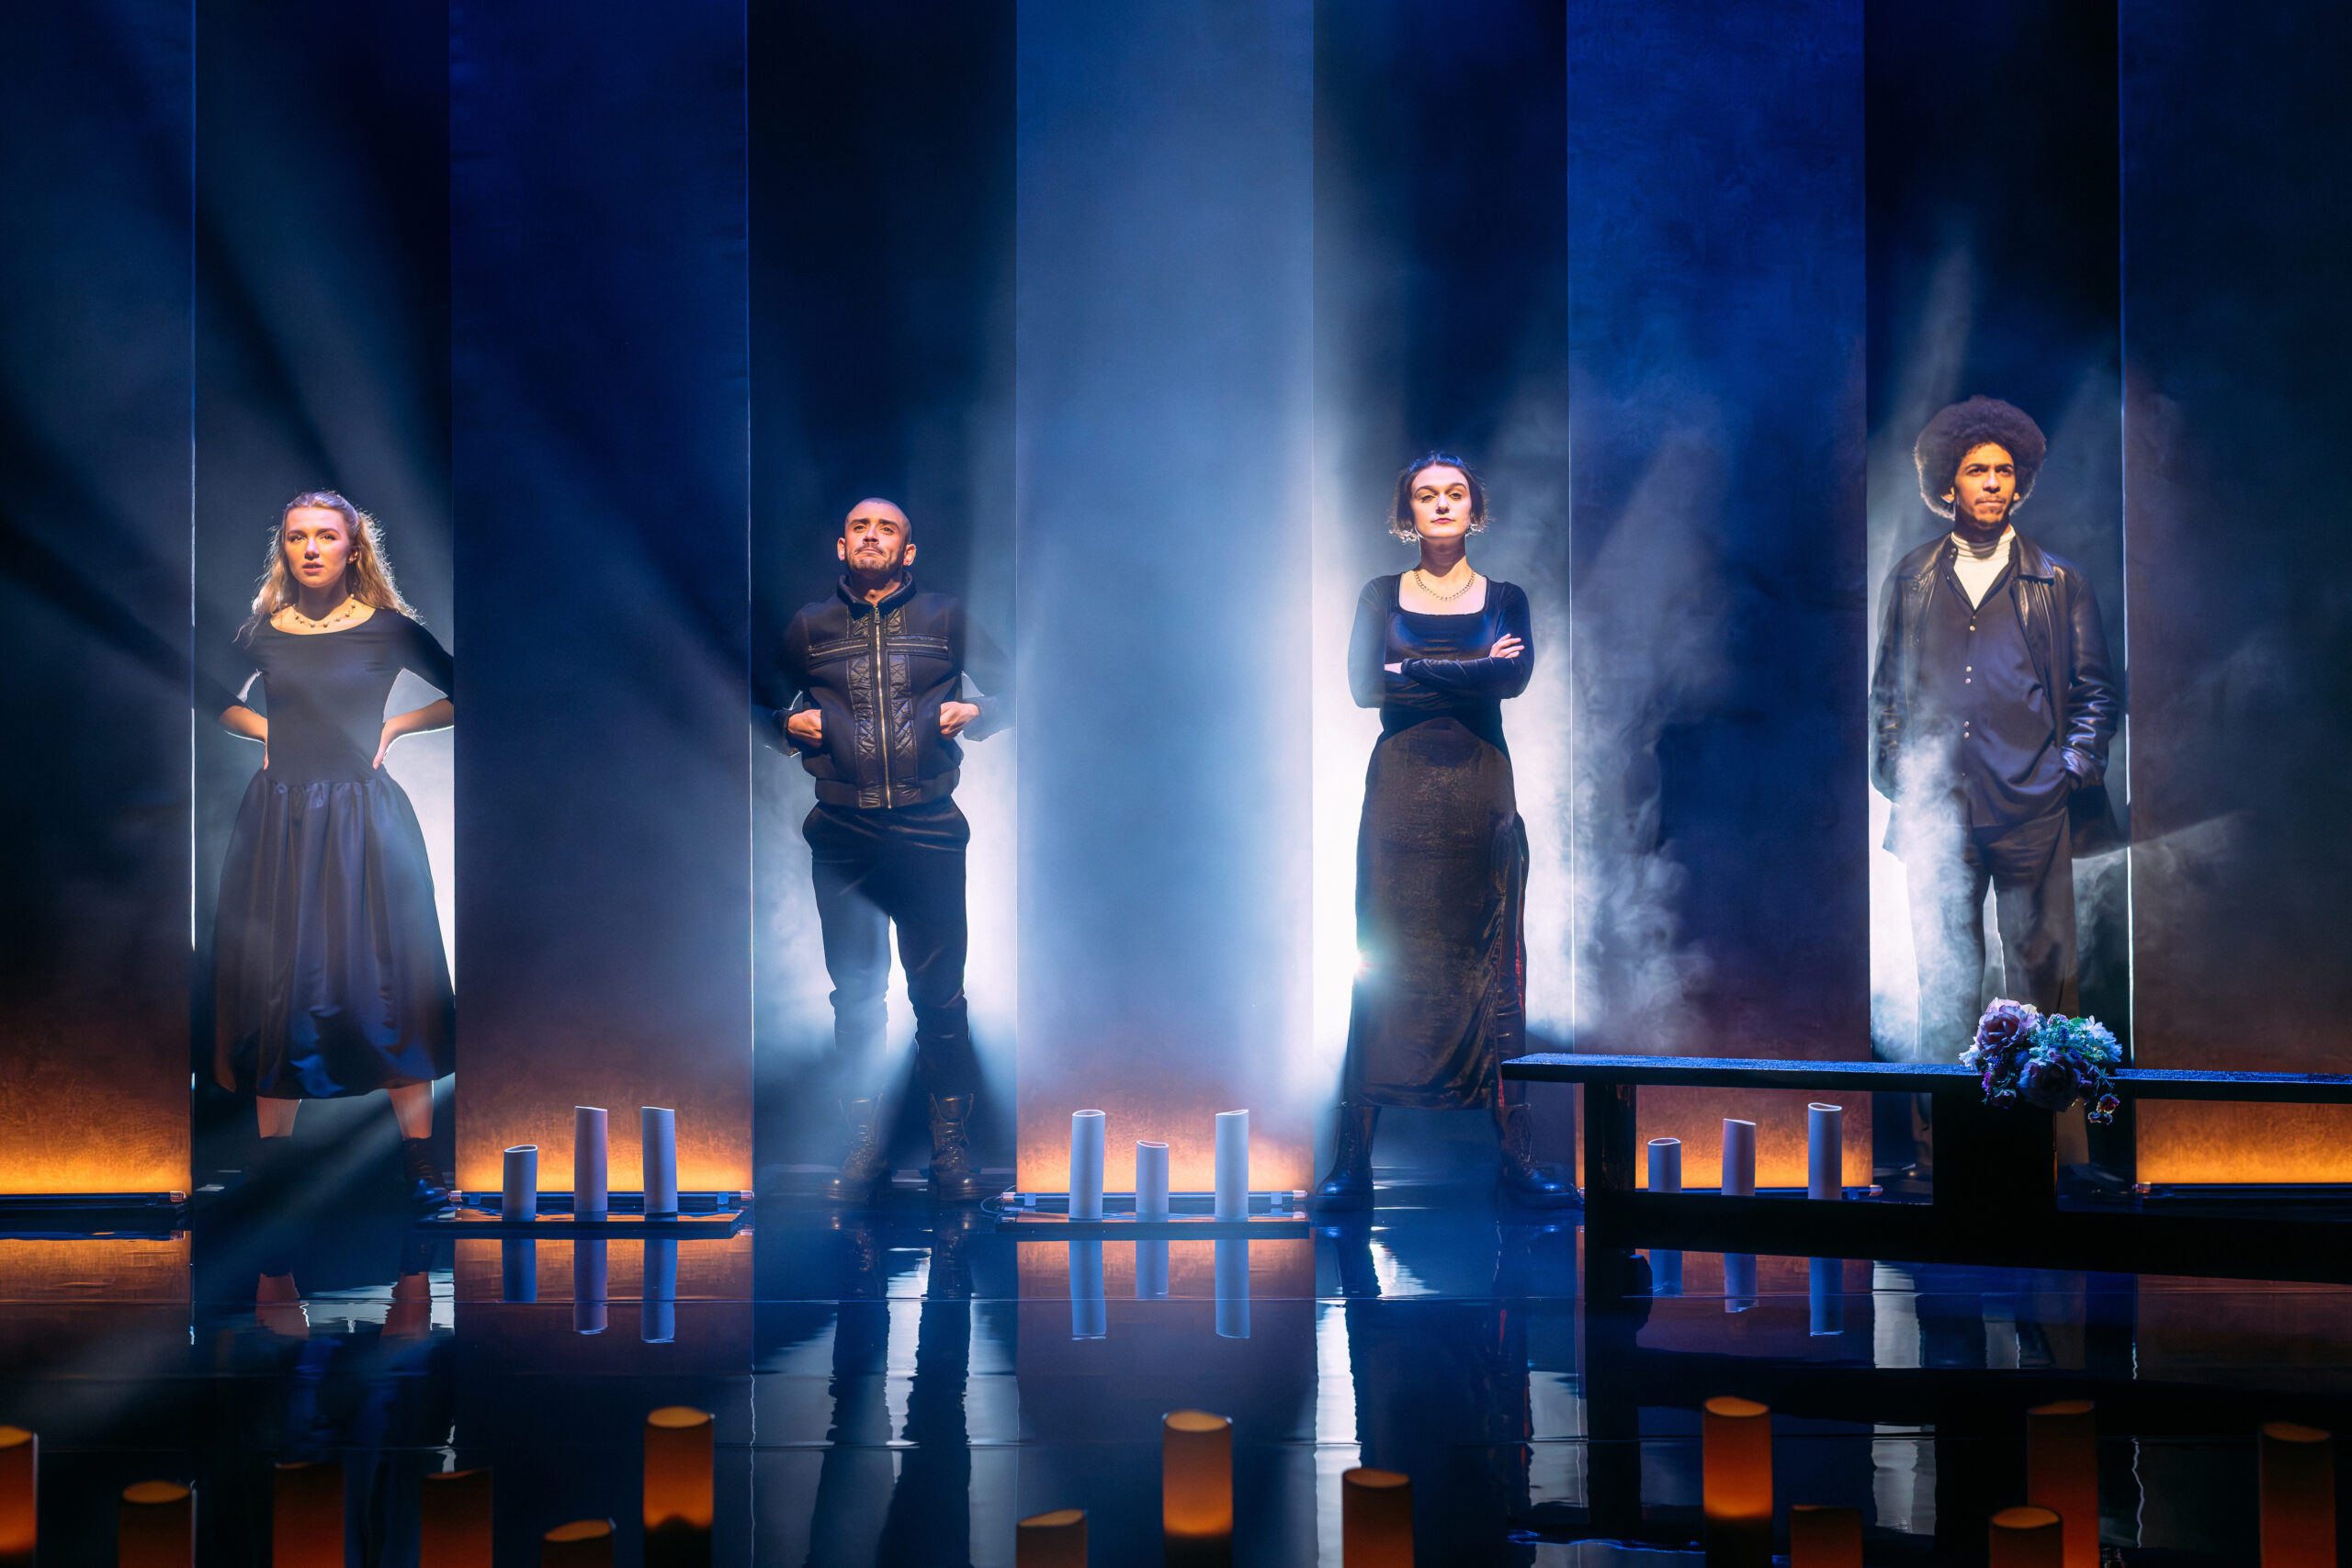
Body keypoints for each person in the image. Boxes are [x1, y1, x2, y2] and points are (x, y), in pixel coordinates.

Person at [1315, 455, 1575, 1210]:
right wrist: (1467, 663)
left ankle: (1517, 1158)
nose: (1440, 504)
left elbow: (1512, 680)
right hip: (1400, 795)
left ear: (1473, 507)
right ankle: (1352, 1163)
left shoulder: (1507, 598)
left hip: (1479, 791)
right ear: (1407, 510)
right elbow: (1368, 685)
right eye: (1426, 494)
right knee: (1381, 962)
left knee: (1496, 965)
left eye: (1454, 493)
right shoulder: (1377, 593)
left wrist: (1416, 663)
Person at [209, 491, 455, 1211]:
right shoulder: (262, 631)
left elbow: (469, 688)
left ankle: (419, 1168)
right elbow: (209, 694)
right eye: (295, 537)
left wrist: (399, 727)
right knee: (273, 983)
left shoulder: (387, 628)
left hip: (362, 819)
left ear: (354, 548)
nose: (310, 548)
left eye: (324, 536)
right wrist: (267, 735)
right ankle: (270, 1169)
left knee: (387, 977)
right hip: (279, 818)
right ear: (282, 548)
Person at [769, 498, 1012, 1203]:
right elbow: (751, 704)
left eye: (888, 529)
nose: (872, 536)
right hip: (843, 833)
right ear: (840, 546)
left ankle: (951, 1152)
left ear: (908, 552)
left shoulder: (944, 617)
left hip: (929, 828)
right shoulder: (809, 627)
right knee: (855, 998)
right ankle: (865, 1149)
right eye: (859, 528)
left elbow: (1018, 684)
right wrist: (789, 723)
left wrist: (982, 710)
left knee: (940, 998)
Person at [1871, 397, 2119, 1069]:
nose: (1991, 482)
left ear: (2019, 483)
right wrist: (1900, 772)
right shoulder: (1913, 578)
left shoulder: (2060, 579)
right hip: (1938, 813)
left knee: (2043, 987)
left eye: (2004, 471)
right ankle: (1937, 1163)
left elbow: (2096, 691)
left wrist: (2071, 768)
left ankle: (2043, 1158)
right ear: (1948, 484)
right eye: (1977, 469)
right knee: (1944, 985)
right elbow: (1887, 694)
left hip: (2034, 808)